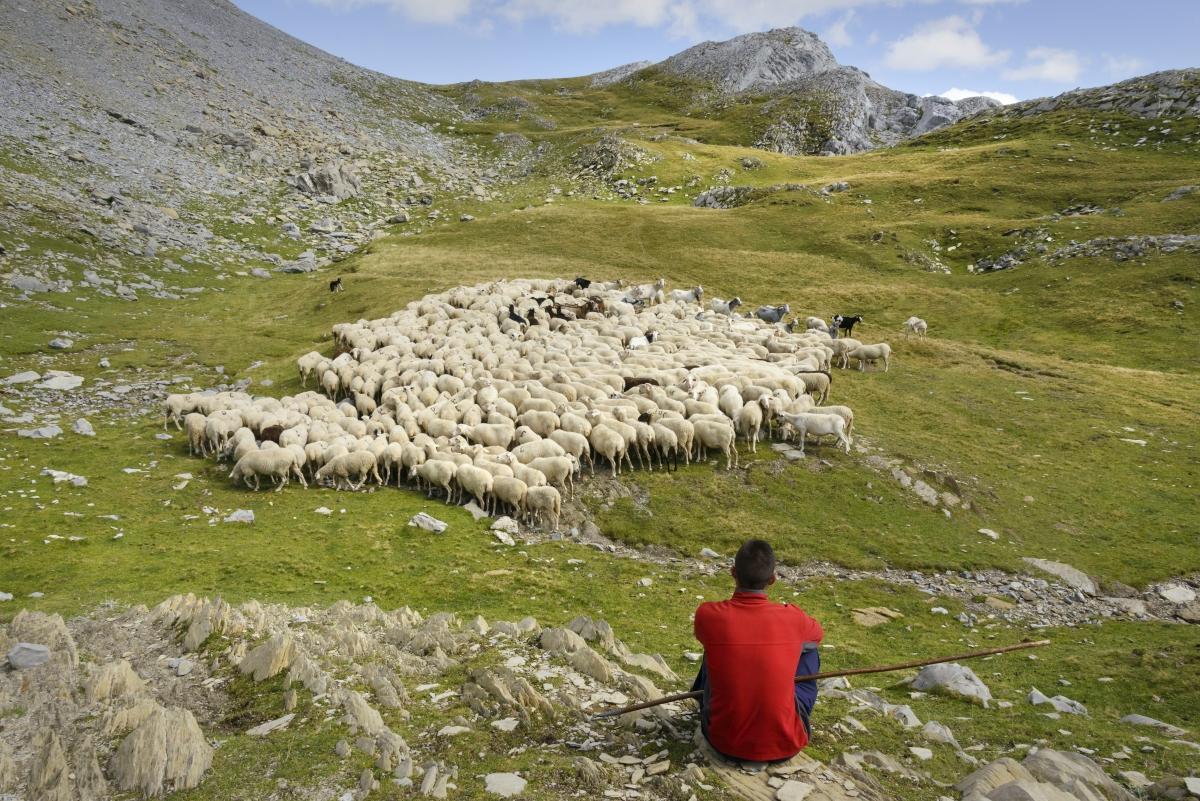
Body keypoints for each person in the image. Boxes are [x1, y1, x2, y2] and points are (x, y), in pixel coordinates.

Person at [691, 539, 824, 762]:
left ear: (733, 572)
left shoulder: (708, 615)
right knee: (809, 650)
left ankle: (703, 701)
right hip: (786, 746)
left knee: (713, 647)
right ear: (772, 579)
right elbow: (817, 635)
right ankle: (782, 713)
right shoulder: (793, 618)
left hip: (723, 742)